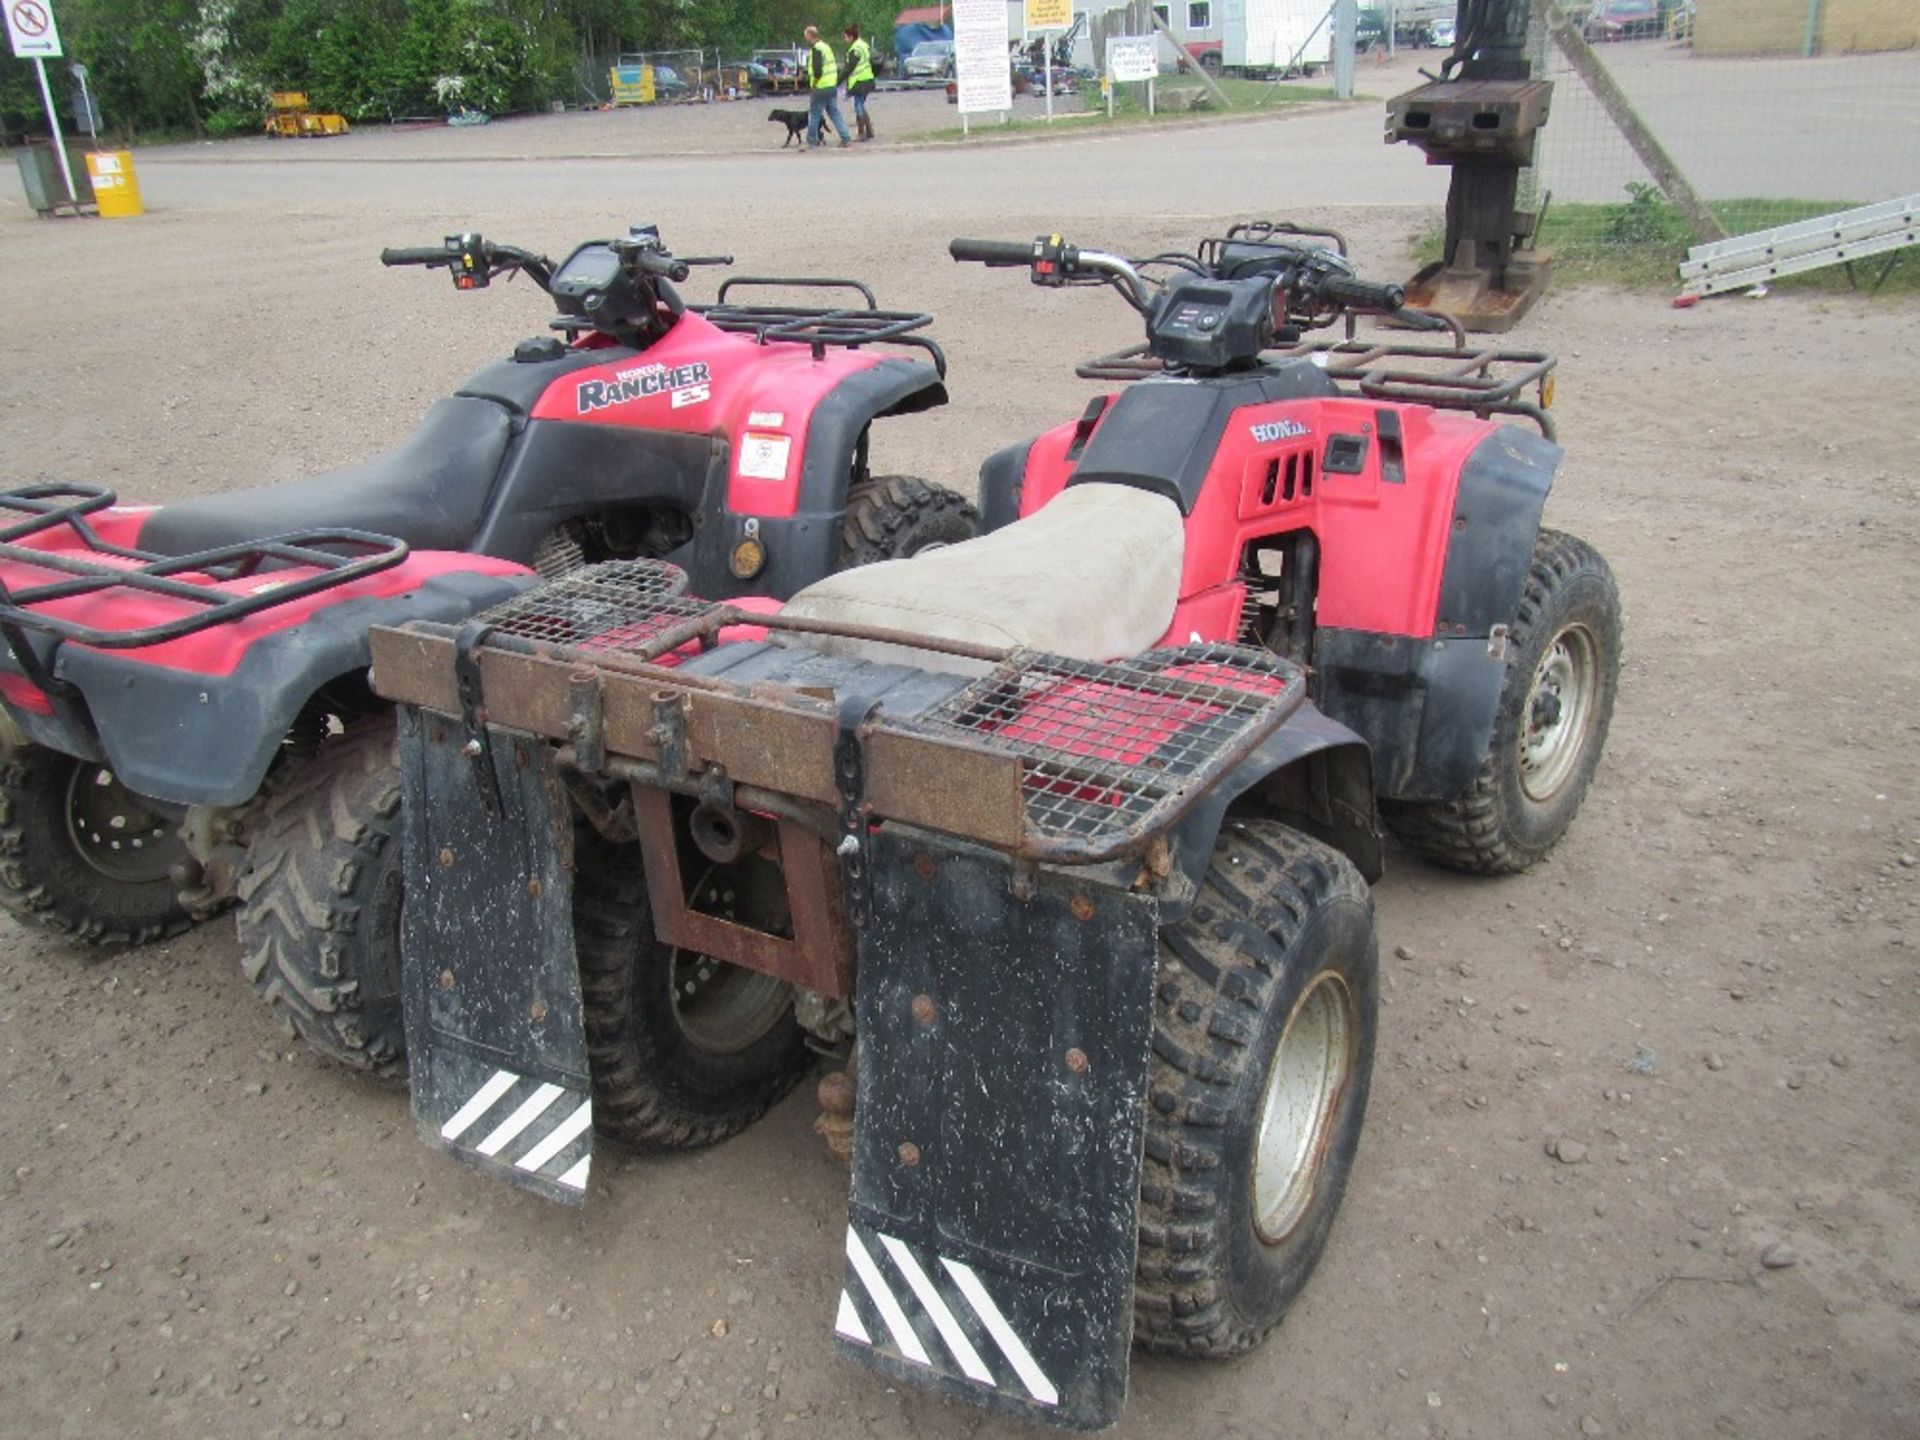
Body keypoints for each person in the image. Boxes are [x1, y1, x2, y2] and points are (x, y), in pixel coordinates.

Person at [803, 25, 851, 149]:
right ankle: (846, 138)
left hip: (821, 86)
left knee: (814, 114)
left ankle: (811, 141)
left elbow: (817, 71)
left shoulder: (816, 49)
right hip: (831, 85)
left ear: (809, 36)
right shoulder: (826, 47)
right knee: (834, 112)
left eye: (805, 36)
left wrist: (814, 84)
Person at [843, 24, 877, 142]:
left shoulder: (855, 49)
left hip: (859, 81)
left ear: (851, 37)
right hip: (868, 79)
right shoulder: (864, 45)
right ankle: (869, 131)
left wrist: (838, 80)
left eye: (845, 37)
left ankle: (862, 133)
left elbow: (849, 68)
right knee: (861, 105)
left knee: (858, 106)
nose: (845, 40)